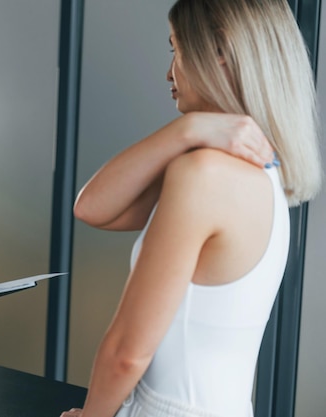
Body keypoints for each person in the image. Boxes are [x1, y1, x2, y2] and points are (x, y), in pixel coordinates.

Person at [61, 0, 321, 416]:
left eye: (175, 50)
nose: (169, 71)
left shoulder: (203, 175)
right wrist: (188, 129)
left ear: (219, 53)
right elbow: (92, 207)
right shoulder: (261, 171)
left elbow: (128, 350)